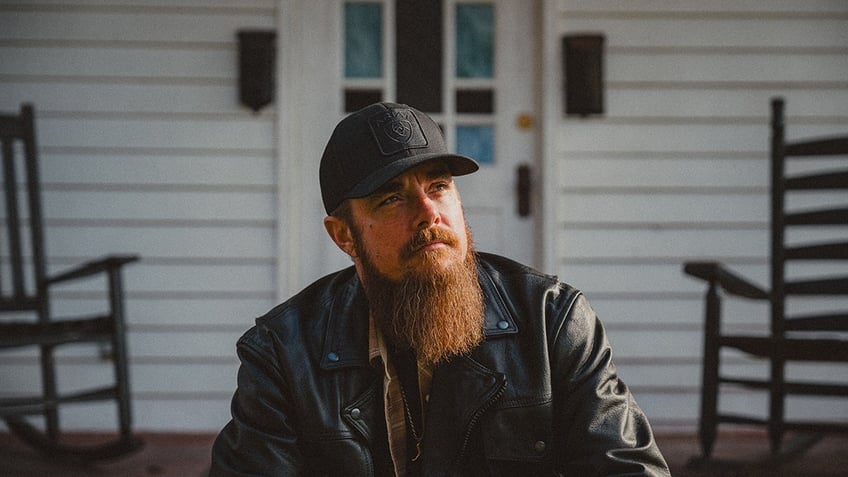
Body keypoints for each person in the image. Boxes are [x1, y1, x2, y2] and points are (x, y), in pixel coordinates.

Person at [210, 102, 670, 476]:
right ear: (344, 236)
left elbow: (626, 469)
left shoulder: (553, 319)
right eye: (392, 197)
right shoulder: (283, 352)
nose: (429, 213)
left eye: (439, 186)